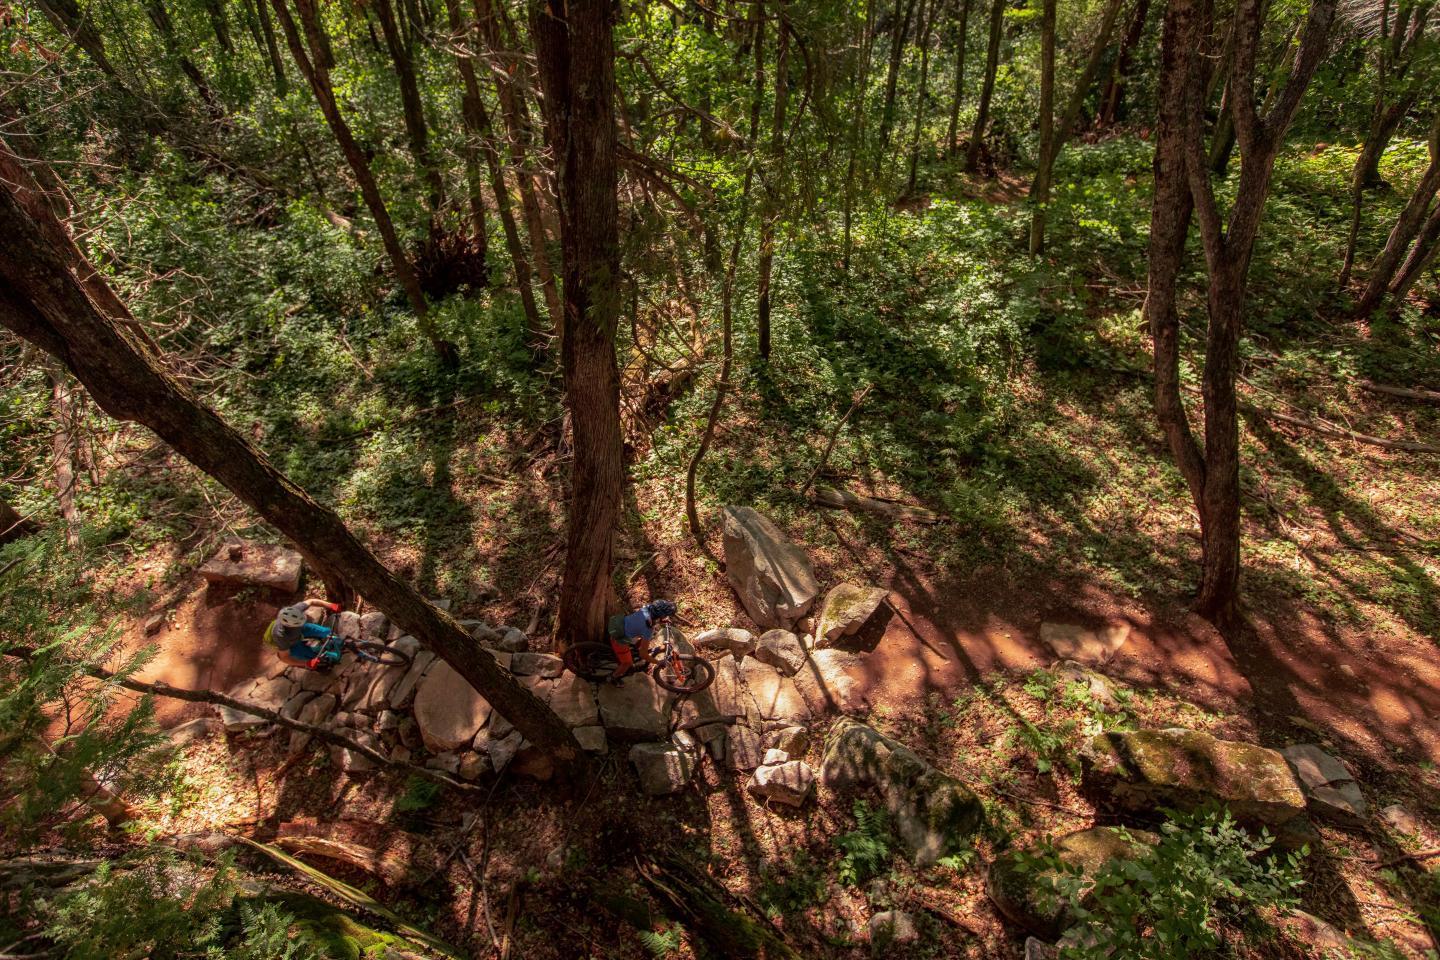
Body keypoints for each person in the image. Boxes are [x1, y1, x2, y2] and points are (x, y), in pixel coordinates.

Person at [604, 599, 677, 682]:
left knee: (640, 639)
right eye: (666, 615)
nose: (667, 617)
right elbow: (643, 655)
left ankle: (634, 649)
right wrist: (658, 662)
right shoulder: (648, 628)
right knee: (627, 663)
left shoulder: (646, 608)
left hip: (620, 624)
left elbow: (650, 618)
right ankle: (613, 678)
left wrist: (661, 620)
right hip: (619, 640)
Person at [266, 598, 342, 669]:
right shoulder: (280, 635)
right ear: (290, 625)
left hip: (301, 630)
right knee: (312, 656)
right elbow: (284, 657)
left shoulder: (295, 610)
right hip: (291, 644)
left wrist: (330, 605)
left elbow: (311, 601)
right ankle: (325, 664)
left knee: (325, 631)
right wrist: (307, 663)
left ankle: (338, 642)